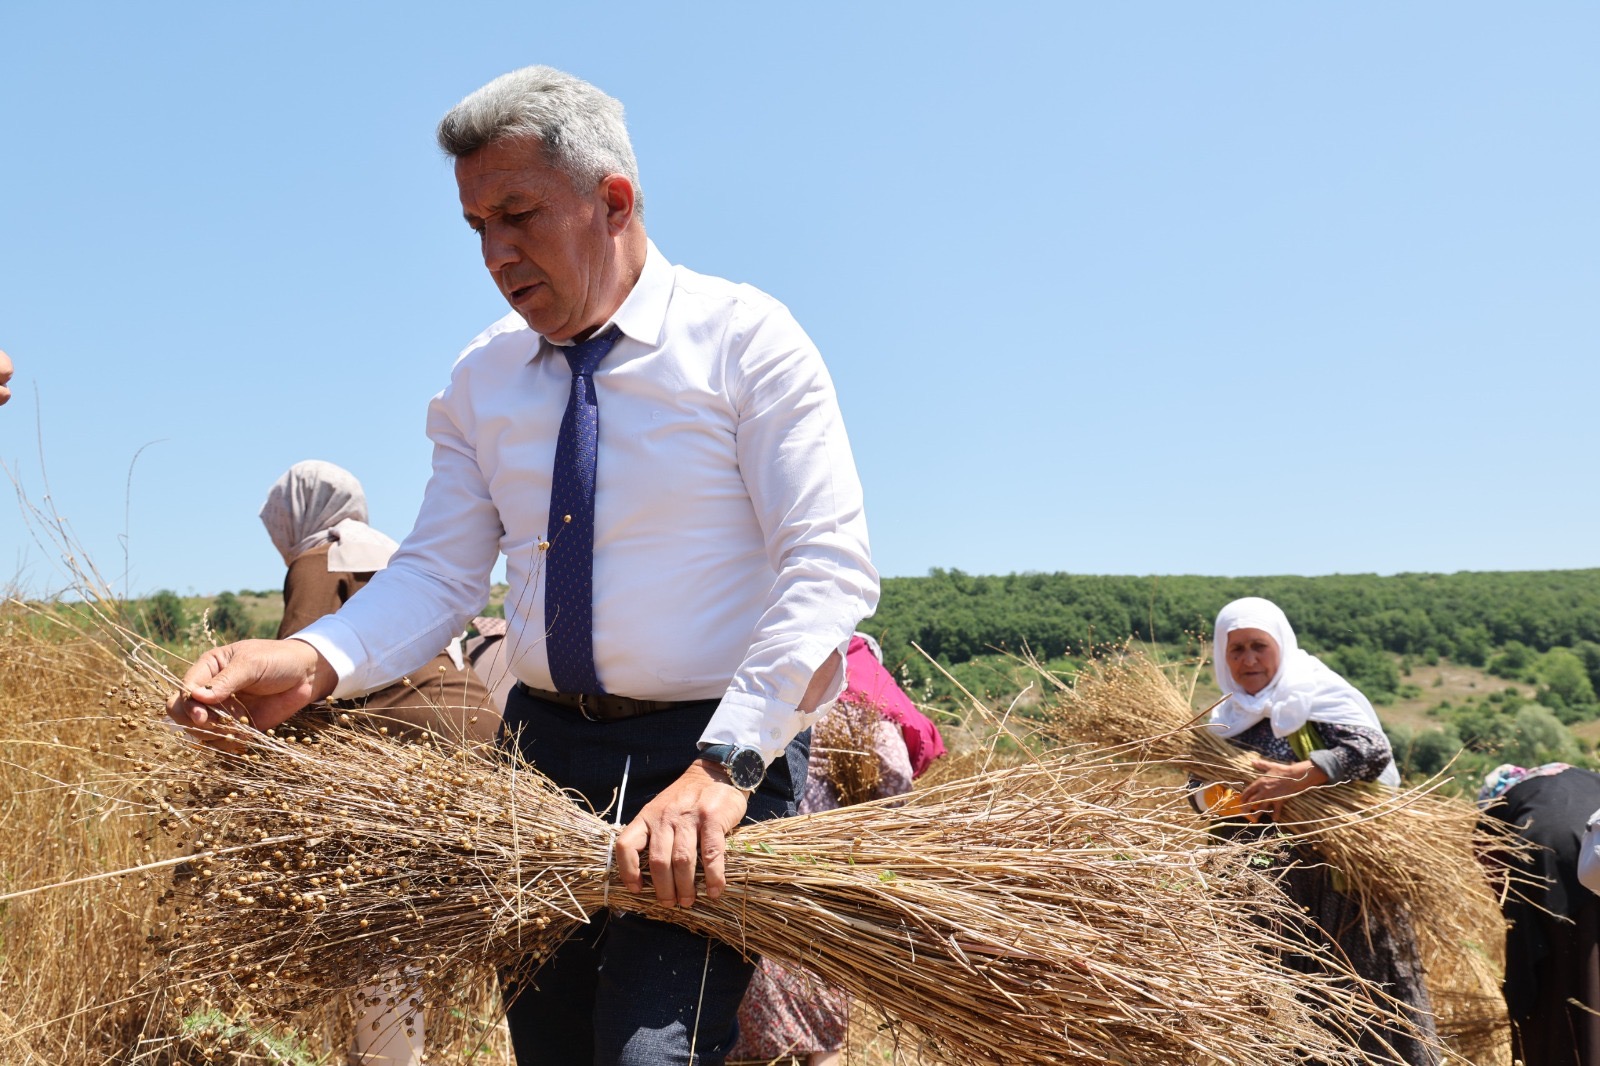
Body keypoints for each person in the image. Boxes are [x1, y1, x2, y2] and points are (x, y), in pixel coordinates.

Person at [169, 64, 877, 1066]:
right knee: (550, 1050)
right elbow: (437, 575)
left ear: (613, 201)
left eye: (519, 214)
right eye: (475, 227)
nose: (496, 254)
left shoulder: (747, 345)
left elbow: (827, 565)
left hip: (706, 755)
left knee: (648, 1052)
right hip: (541, 764)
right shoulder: (484, 378)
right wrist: (312, 660)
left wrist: (724, 768)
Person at [262, 459, 498, 1066]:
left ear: (296, 514)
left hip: (409, 751)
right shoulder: (392, 554)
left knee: (376, 920)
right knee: (418, 924)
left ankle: (390, 1057)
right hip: (479, 737)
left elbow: (296, 670)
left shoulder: (320, 559)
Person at [1205, 597, 1437, 1066]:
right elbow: (1198, 793)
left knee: (1367, 991)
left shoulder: (1316, 694)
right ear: (1222, 657)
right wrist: (1239, 803)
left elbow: (1372, 751)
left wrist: (1299, 776)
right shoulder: (1222, 723)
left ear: (1281, 646)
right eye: (1237, 650)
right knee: (1282, 1000)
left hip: (1343, 881)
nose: (1249, 659)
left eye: (1259, 646)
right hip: (1267, 889)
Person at [728, 634, 934, 1065]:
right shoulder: (874, 703)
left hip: (767, 860)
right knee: (818, 1025)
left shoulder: (772, 686)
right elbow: (896, 795)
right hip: (827, 876)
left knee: (760, 1011)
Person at [262, 459, 498, 745]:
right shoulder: (400, 556)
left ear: (297, 512)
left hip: (421, 742)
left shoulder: (320, 559)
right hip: (482, 724)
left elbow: (293, 682)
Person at [1478, 762, 1600, 1065]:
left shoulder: (1500, 803)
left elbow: (1493, 874)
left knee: (1551, 978)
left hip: (1542, 857)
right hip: (1595, 849)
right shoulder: (1586, 778)